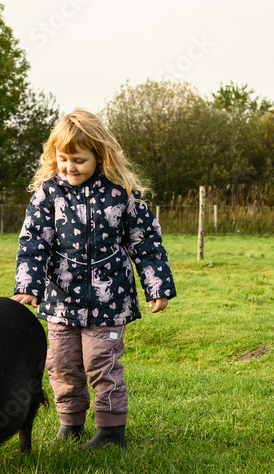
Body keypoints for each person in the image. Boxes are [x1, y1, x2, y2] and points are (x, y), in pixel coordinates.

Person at [12, 108, 176, 449]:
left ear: (100, 156)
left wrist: (157, 285)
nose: (69, 167)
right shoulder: (48, 195)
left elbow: (146, 242)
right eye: (63, 159)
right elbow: (34, 243)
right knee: (61, 365)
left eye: (79, 160)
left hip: (110, 301)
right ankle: (70, 424)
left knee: (101, 363)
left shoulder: (122, 194)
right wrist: (28, 286)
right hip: (61, 302)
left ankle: (111, 432)